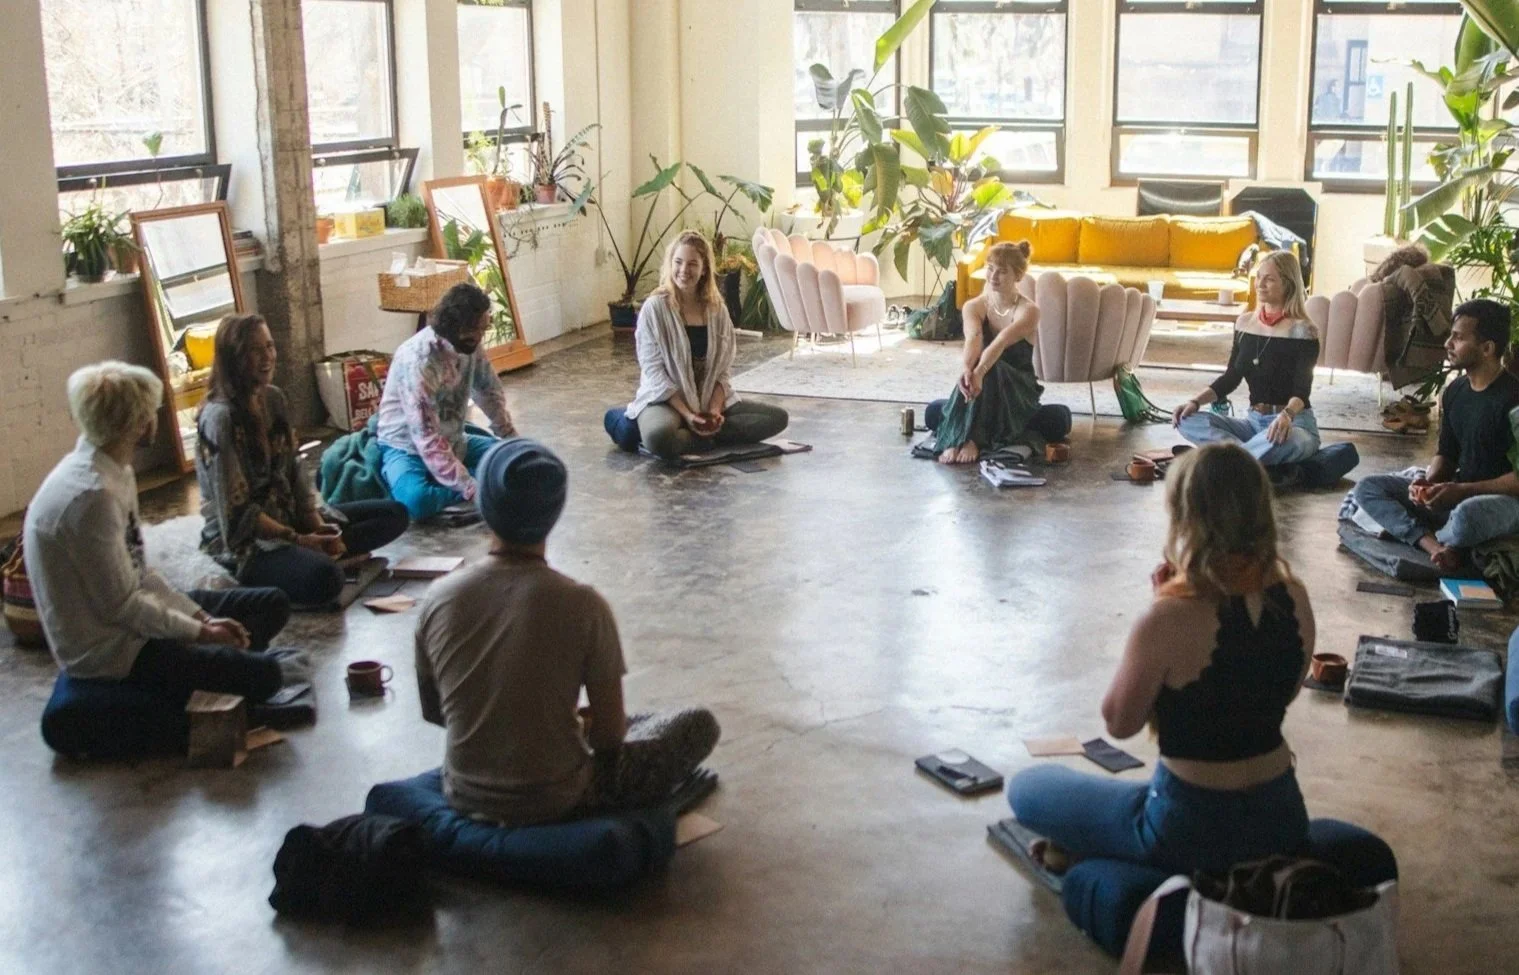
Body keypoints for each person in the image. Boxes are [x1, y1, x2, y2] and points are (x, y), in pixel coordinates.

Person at [1006, 443, 1319, 878]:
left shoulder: (1169, 616)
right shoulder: (1294, 596)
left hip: (1187, 825)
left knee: (1029, 788)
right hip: (1281, 816)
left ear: (1187, 518)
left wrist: (1159, 612)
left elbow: (1120, 723)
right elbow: (1277, 694)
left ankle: (1113, 864)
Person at [415, 438, 720, 826]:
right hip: (560, 796)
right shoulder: (584, 605)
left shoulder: (437, 597)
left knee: (626, 721)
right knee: (695, 722)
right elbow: (609, 740)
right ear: (554, 512)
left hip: (462, 792)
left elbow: (435, 712)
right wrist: (575, 728)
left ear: (484, 507)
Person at [24, 361, 302, 705]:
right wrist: (201, 634)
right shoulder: (92, 497)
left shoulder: (113, 471)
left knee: (270, 604)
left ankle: (227, 665)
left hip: (132, 619)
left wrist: (203, 619)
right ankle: (226, 672)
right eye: (152, 410)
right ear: (137, 424)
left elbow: (140, 572)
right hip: (113, 651)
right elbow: (124, 607)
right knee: (268, 676)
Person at [197, 315, 409, 606]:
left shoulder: (273, 398)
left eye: (270, 347)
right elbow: (238, 514)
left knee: (394, 513)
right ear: (234, 357)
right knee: (326, 579)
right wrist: (300, 541)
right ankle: (317, 563)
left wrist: (315, 523)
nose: (267, 357)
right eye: (255, 351)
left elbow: (294, 469)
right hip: (248, 542)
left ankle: (317, 558)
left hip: (291, 521)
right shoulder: (220, 418)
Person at [1352, 299, 1519, 570]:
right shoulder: (1454, 392)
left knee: (1467, 516)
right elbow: (1447, 453)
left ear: (1487, 348)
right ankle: (1436, 546)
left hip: (1501, 504)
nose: (1448, 344)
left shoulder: (1513, 399)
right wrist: (1428, 484)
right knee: (1367, 488)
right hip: (1457, 492)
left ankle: (1427, 535)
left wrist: (1461, 491)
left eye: (1458, 338)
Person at [617, 230, 789, 460]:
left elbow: (723, 371)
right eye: (678, 262)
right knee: (658, 437)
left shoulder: (717, 310)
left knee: (777, 418)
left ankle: (701, 434)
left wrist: (715, 411)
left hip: (708, 399)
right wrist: (688, 415)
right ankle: (700, 435)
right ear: (670, 264)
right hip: (668, 400)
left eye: (692, 264)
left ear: (704, 268)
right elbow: (654, 373)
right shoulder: (654, 308)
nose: (683, 271)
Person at [377, 282, 517, 520]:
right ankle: (479, 487)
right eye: (476, 330)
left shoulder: (471, 345)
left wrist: (512, 441)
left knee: (515, 464)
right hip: (407, 445)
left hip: (454, 439)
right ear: (455, 325)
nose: (480, 336)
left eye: (484, 330)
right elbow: (427, 438)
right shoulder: (419, 361)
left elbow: (489, 392)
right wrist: (470, 488)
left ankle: (473, 484)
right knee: (416, 501)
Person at [1172, 250, 1321, 470]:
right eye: (1259, 277)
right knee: (1186, 420)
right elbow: (1231, 377)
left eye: (1269, 279)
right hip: (1253, 424)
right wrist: (1194, 402)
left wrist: (1286, 416)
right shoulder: (1244, 324)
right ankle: (1247, 459)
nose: (1260, 284)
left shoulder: (1304, 331)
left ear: (1288, 284)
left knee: (1292, 441)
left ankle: (1224, 459)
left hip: (1293, 424)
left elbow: (1302, 391)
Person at [924, 240, 1062, 464]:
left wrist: (979, 372)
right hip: (981, 386)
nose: (993, 276)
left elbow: (1000, 341)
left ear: (1017, 277)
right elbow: (974, 338)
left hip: (1016, 387)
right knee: (933, 411)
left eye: (1002, 271)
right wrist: (968, 370)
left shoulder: (1029, 311)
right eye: (990, 269)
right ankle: (970, 431)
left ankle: (970, 438)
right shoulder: (974, 306)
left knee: (994, 368)